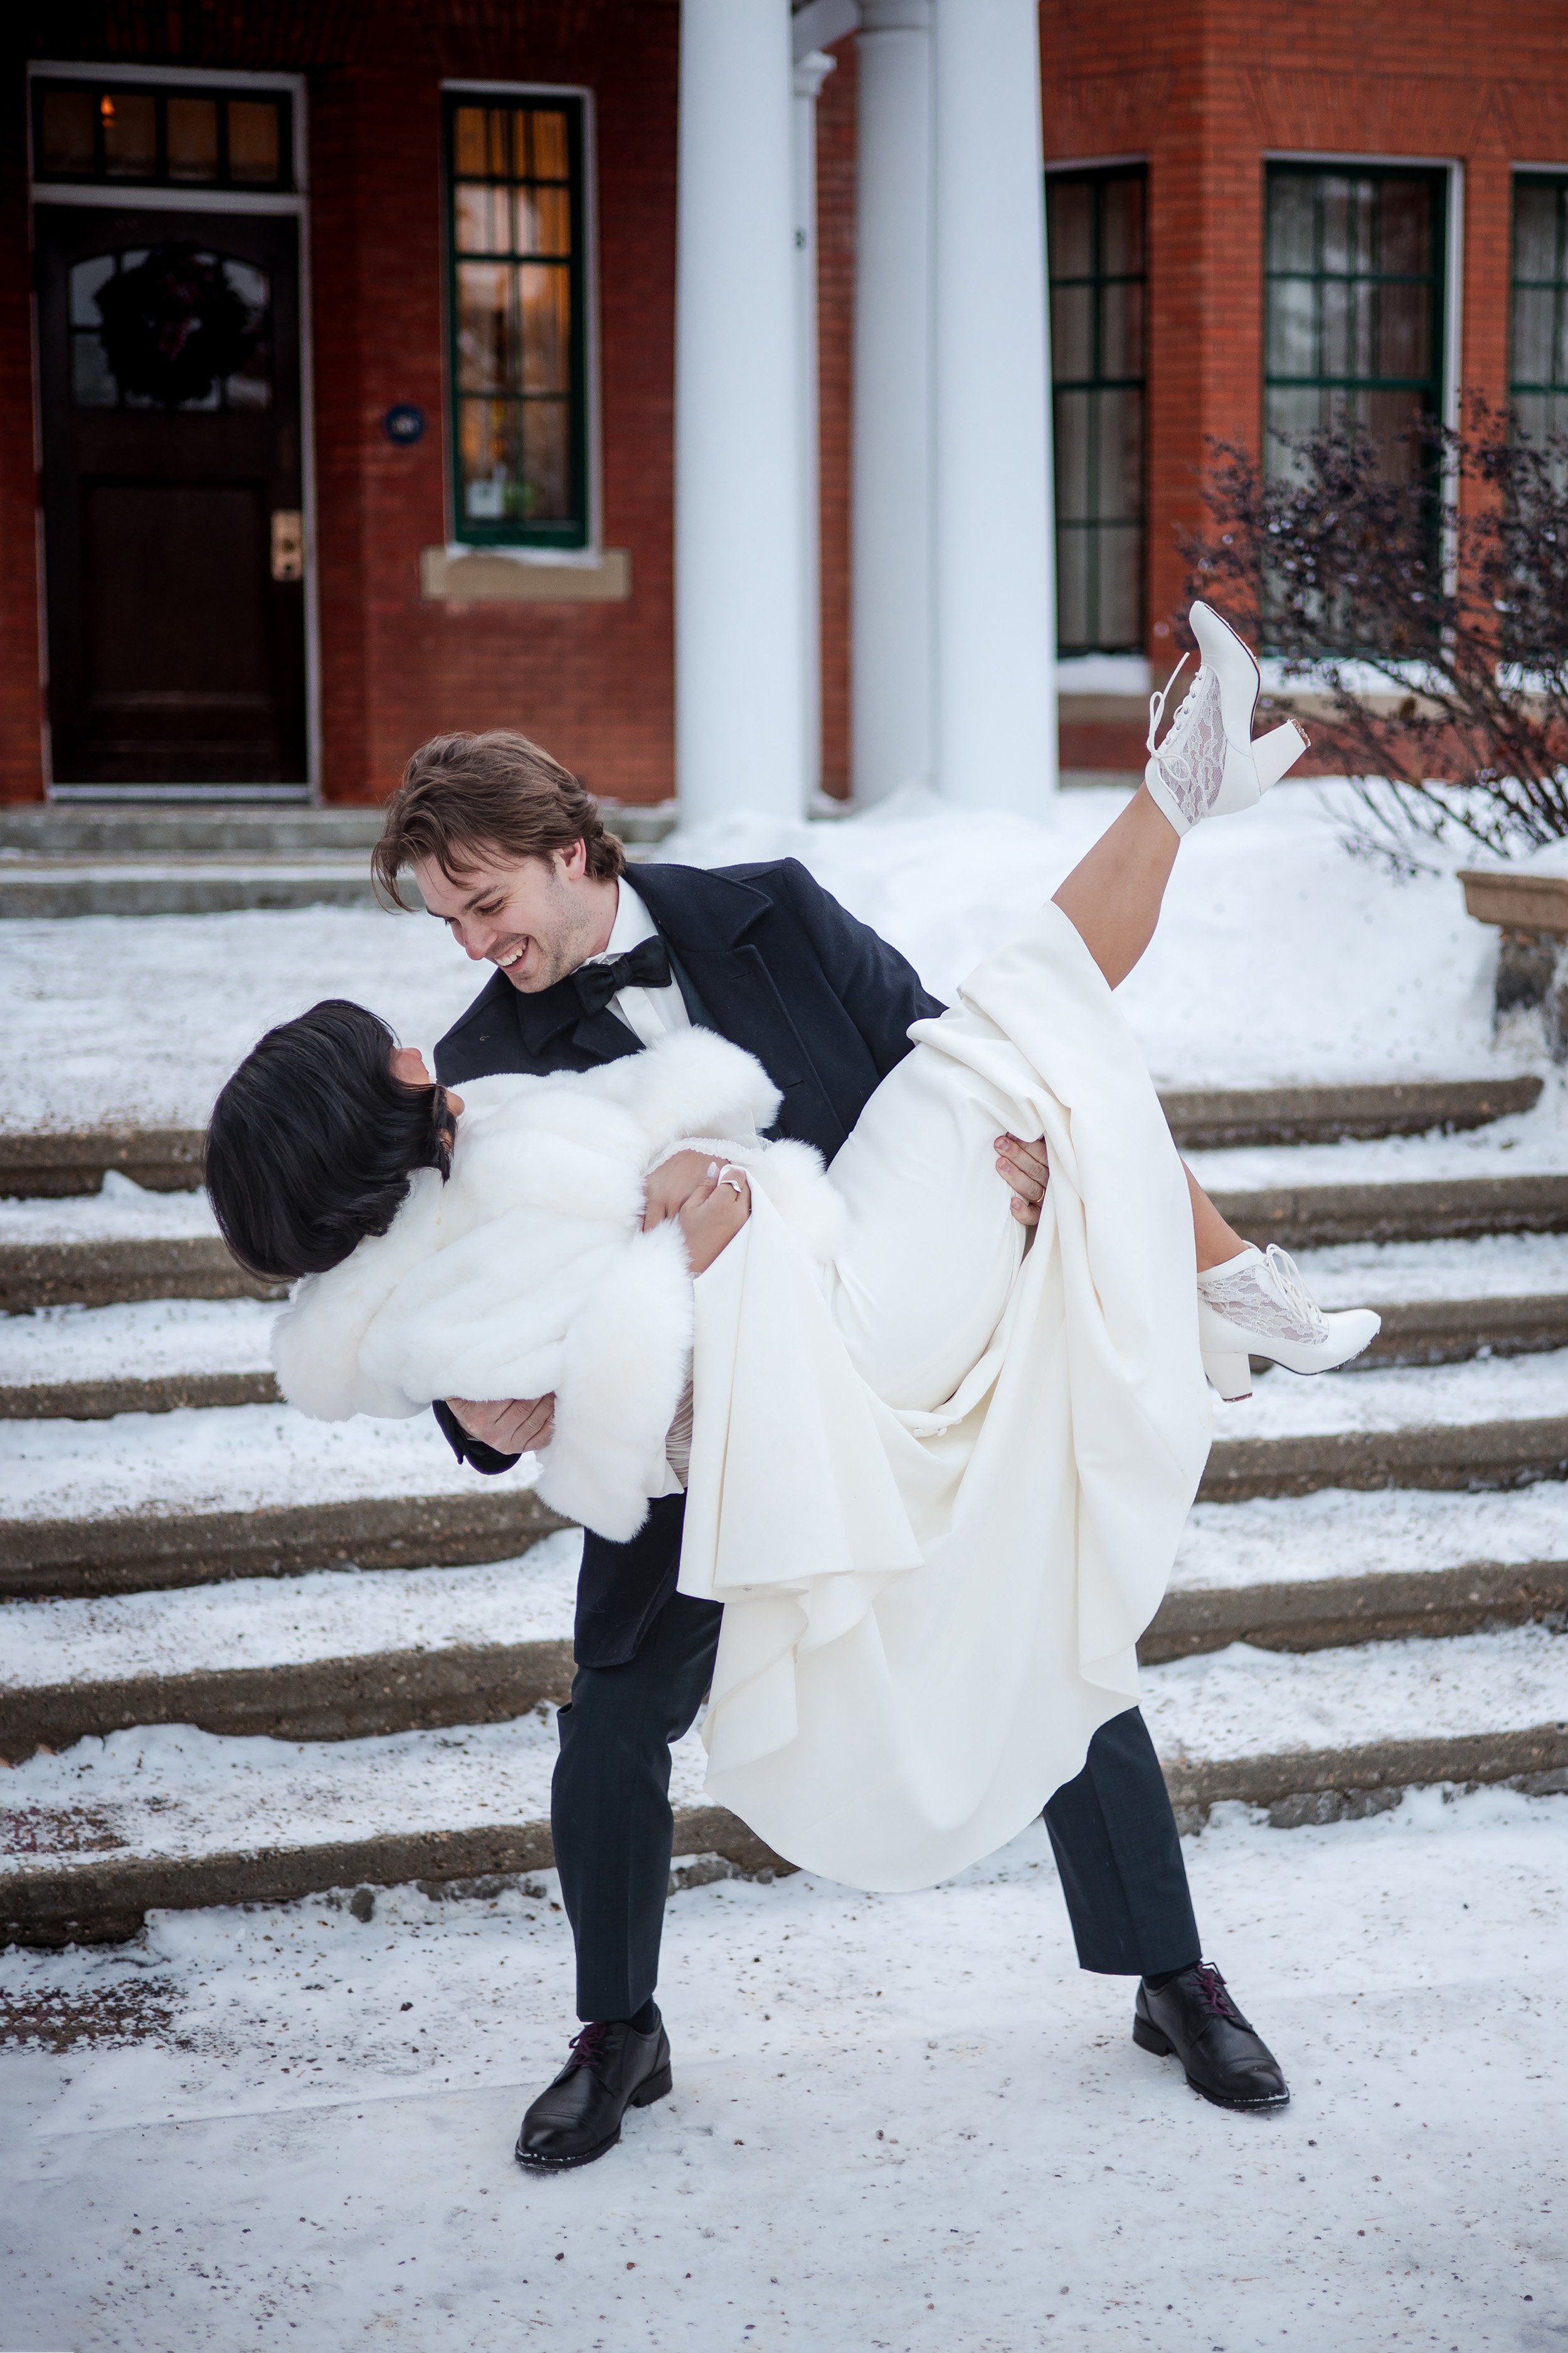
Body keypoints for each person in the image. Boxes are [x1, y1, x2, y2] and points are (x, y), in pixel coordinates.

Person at [208, 603, 1376, 2170]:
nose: (480, 948)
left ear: (567, 843)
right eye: (452, 930)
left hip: (887, 1324)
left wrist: (1025, 1174)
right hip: (704, 1431)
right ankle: (618, 2030)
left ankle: (1172, 1978)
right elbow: (459, 1295)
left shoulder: (768, 905)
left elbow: (925, 1058)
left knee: (1050, 1634)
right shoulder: (478, 1059)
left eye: (487, 905)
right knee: (612, 1720)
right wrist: (481, 1422)